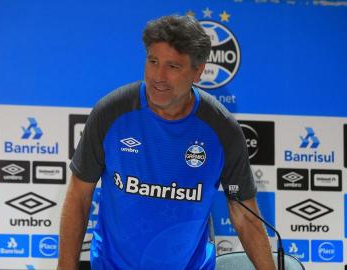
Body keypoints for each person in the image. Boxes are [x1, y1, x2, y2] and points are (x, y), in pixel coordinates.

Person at [58, 15, 276, 270]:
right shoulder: (111, 113)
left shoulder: (222, 128)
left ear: (198, 71)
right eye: (153, 62)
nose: (158, 76)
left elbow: (243, 214)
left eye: (173, 66)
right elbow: (79, 196)